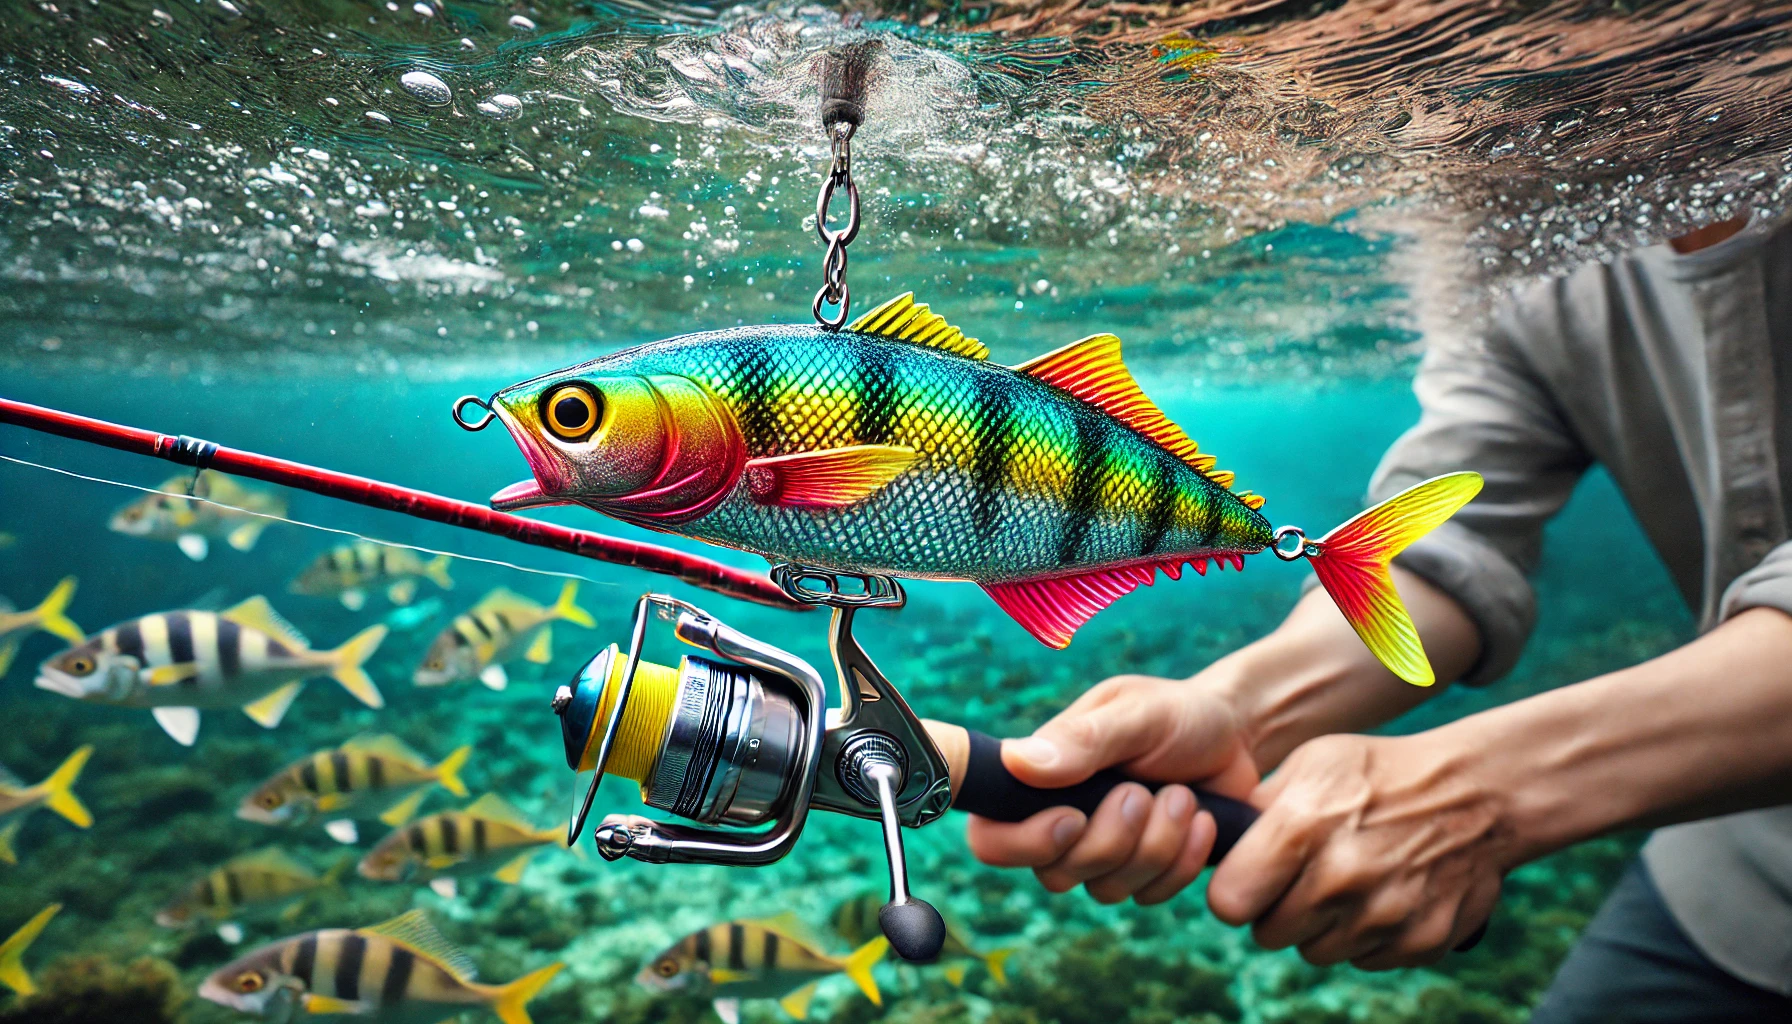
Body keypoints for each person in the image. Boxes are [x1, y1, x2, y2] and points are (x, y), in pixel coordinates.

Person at [966, 212, 1792, 1021]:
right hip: (1735, 892)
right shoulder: (1513, 218)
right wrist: (1242, 708)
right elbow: (1455, 547)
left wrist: (1485, 793)